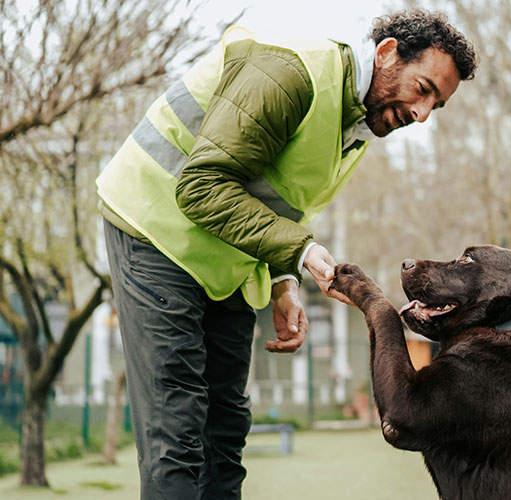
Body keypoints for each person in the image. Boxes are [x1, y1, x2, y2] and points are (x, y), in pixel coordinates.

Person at [96, 8, 478, 500]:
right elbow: (201, 186)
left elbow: (276, 200)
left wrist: (283, 280)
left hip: (225, 255)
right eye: (423, 90)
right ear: (386, 55)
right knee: (178, 433)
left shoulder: (356, 125)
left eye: (436, 106)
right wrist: (301, 254)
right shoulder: (291, 74)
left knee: (226, 432)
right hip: (154, 227)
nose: (422, 114)